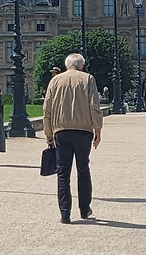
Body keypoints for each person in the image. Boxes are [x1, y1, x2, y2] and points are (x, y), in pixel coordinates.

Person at [41, 51, 102, 223]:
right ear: (81, 66)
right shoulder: (88, 79)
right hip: (83, 130)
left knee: (63, 172)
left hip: (61, 130)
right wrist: (97, 129)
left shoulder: (55, 80)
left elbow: (47, 108)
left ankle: (65, 213)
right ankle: (84, 209)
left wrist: (48, 133)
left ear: (67, 65)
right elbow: (94, 106)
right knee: (83, 169)